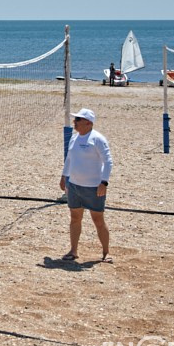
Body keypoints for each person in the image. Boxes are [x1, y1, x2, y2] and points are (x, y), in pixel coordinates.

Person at [59, 108, 113, 262]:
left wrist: (104, 182)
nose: (74, 122)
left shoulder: (97, 139)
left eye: (78, 120)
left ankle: (106, 252)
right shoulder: (74, 138)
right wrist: (64, 176)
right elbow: (69, 159)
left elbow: (108, 161)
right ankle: (73, 251)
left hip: (93, 187)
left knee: (98, 220)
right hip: (75, 185)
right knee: (75, 218)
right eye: (75, 119)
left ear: (88, 123)